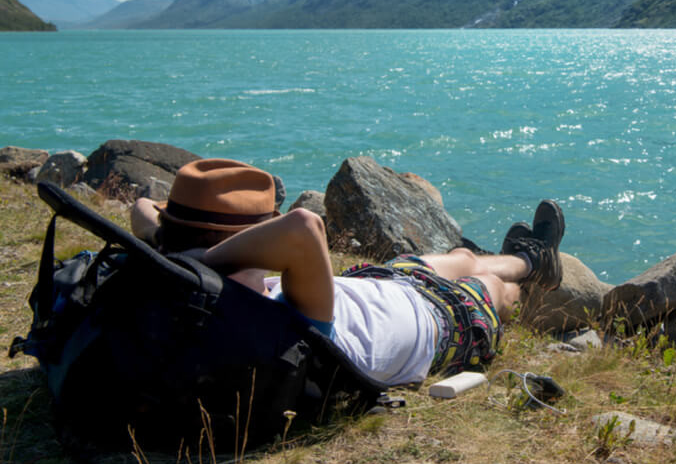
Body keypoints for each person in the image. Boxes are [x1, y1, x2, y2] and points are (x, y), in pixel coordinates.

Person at [131, 158, 564, 386]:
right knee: (488, 285)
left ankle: (534, 260)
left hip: (374, 286)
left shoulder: (185, 273)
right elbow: (303, 225)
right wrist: (206, 263)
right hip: (436, 326)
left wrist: (178, 257)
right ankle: (526, 274)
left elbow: (141, 210)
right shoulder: (283, 319)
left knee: (463, 257)